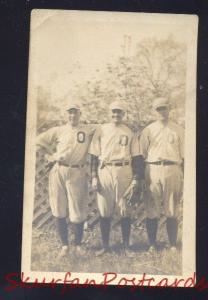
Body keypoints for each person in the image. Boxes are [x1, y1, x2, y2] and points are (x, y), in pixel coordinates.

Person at [36, 103, 95, 257]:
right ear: (66, 114)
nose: (72, 116)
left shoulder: (88, 129)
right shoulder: (59, 130)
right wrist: (49, 155)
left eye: (75, 113)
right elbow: (38, 141)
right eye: (70, 113)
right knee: (58, 208)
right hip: (58, 170)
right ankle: (64, 246)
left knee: (77, 210)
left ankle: (78, 245)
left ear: (80, 114)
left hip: (77, 170)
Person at [89, 101, 145, 256]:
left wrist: (136, 178)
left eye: (119, 112)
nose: (116, 115)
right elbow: (94, 155)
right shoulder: (101, 130)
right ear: (109, 113)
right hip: (105, 169)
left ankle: (126, 246)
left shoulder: (129, 132)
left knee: (125, 209)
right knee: (104, 209)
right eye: (113, 112)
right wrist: (94, 176)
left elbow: (137, 158)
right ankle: (105, 246)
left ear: (123, 114)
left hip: (124, 170)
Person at [139, 97, 184, 252]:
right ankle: (152, 244)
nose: (162, 111)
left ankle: (172, 244)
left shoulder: (178, 129)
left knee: (172, 208)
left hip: (172, 168)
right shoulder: (148, 130)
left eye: (164, 108)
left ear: (168, 109)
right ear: (154, 111)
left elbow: (183, 154)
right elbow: (143, 153)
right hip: (153, 168)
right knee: (152, 207)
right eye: (158, 109)